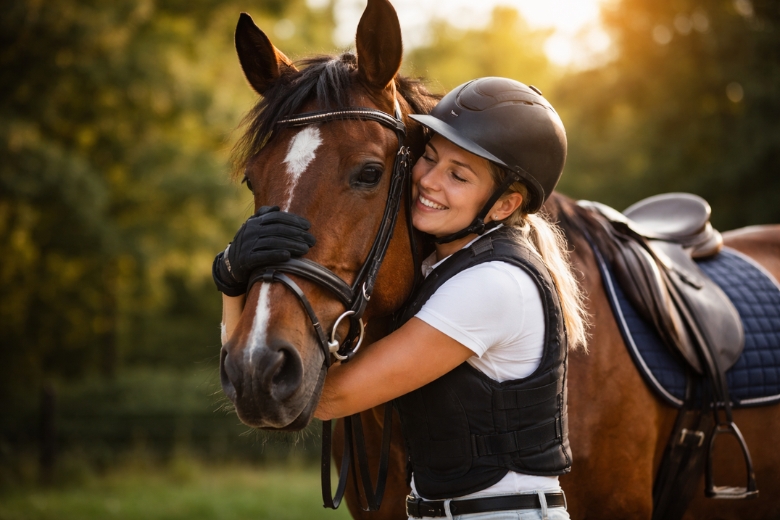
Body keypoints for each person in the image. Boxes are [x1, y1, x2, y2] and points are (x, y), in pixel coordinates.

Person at [214, 77, 588, 520]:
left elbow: (328, 397)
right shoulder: (442, 272)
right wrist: (235, 273)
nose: (428, 181)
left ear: (504, 205)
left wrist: (230, 285)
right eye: (429, 157)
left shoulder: (491, 285)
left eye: (458, 175)